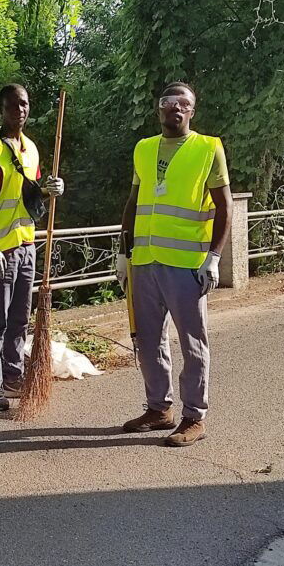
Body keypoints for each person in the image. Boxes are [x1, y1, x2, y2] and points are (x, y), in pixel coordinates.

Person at [117, 82, 233, 446]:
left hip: (187, 264)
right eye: (169, 103)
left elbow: (225, 207)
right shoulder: (144, 148)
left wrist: (214, 258)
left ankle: (194, 417)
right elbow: (134, 203)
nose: (176, 108)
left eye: (184, 103)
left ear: (192, 111)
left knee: (192, 341)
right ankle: (158, 408)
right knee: (148, 341)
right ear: (159, 110)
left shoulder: (208, 148)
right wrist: (123, 252)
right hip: (145, 261)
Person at [0, 84, 64, 411]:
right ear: (1, 109)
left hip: (26, 243)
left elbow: (30, 195)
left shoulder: (31, 149)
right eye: (12, 106)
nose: (19, 110)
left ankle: (13, 374)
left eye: (24, 104)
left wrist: (49, 190)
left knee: (21, 316)